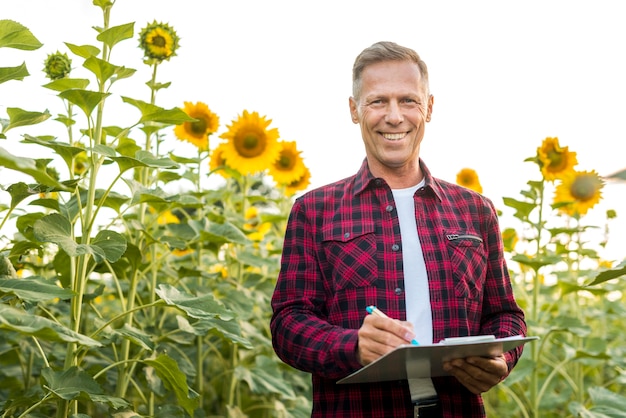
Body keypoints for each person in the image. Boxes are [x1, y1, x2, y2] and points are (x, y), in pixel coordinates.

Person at [270, 41, 527, 417]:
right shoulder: (315, 210)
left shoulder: (475, 211)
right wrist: (353, 346)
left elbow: (505, 315)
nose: (394, 117)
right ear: (354, 110)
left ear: (430, 107)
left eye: (408, 100)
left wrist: (501, 357)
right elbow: (288, 325)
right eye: (378, 102)